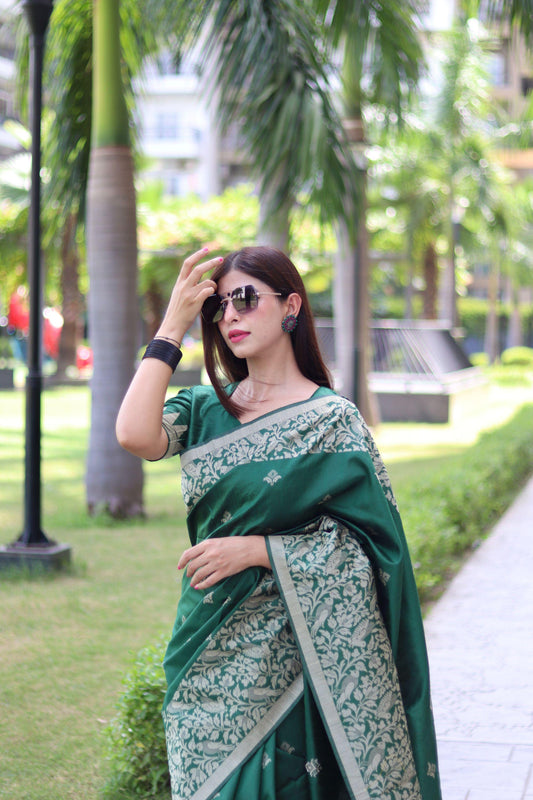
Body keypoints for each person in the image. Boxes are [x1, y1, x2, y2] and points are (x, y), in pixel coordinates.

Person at [116, 246, 442, 800]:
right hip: (207, 648)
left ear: (291, 306)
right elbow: (133, 434)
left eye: (245, 299)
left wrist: (261, 551)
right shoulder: (202, 411)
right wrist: (172, 324)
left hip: (299, 655)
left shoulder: (333, 420)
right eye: (219, 307)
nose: (231, 316)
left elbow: (374, 550)